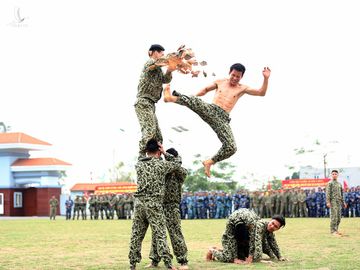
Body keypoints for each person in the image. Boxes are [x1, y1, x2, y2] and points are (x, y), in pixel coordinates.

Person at [164, 63, 271, 177]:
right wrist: (192, 99)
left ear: (241, 77)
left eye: (237, 77)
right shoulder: (220, 82)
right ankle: (170, 98)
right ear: (229, 73)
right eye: (233, 75)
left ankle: (209, 162)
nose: (234, 78)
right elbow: (205, 90)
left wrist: (265, 78)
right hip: (211, 110)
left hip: (222, 119)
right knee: (196, 101)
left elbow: (261, 92)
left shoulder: (242, 88)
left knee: (231, 147)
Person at [128, 139, 182, 270]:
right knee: (160, 234)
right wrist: (164, 152)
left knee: (136, 234)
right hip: (154, 204)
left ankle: (132, 264)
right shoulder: (161, 165)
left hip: (139, 204)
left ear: (146, 151)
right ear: (158, 151)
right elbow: (177, 162)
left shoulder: (139, 164)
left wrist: (147, 145)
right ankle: (168, 264)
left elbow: (141, 153)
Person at [147, 148, 189, 270]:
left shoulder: (180, 171)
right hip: (159, 205)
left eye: (168, 157)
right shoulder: (162, 168)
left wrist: (166, 153)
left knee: (175, 233)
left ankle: (183, 261)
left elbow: (177, 164)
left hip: (172, 205)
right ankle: (154, 261)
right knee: (157, 234)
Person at [135, 44, 176, 158]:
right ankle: (142, 157)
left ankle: (157, 159)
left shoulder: (157, 69)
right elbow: (160, 62)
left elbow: (165, 79)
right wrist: (173, 58)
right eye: (160, 52)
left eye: (163, 53)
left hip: (151, 104)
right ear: (152, 52)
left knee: (158, 137)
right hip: (144, 101)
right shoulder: (150, 63)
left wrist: (169, 70)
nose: (162, 54)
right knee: (149, 132)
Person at [206, 208, 286, 264]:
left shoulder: (265, 228)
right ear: (270, 220)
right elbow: (255, 242)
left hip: (242, 234)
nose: (272, 226)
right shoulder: (258, 225)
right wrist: (253, 258)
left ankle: (220, 250)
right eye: (272, 223)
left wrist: (279, 256)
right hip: (231, 234)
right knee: (229, 258)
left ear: (278, 229)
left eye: (275, 226)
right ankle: (212, 250)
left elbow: (271, 243)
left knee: (243, 255)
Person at [325, 169, 347, 236]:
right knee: (334, 216)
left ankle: (336, 229)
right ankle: (333, 231)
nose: (334, 175)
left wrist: (343, 202)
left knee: (339, 217)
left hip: (339, 202)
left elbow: (342, 194)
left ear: (337, 175)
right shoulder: (329, 183)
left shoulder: (339, 184)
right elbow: (328, 193)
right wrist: (328, 202)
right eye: (333, 174)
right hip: (333, 201)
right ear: (331, 175)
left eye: (335, 174)